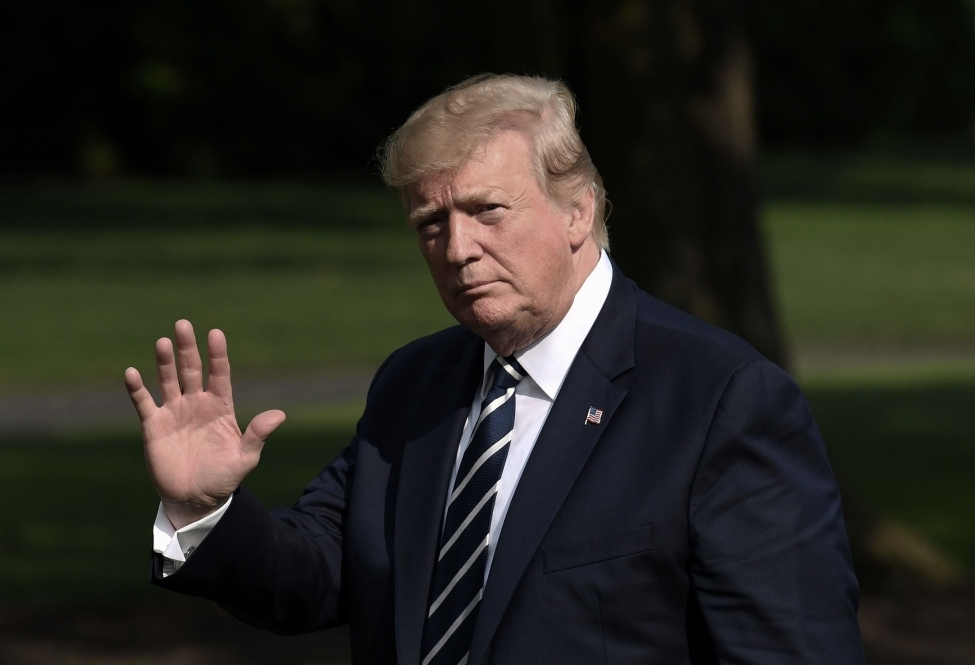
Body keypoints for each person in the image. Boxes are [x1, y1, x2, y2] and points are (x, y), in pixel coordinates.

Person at [125, 74, 864, 664]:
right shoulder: (413, 386)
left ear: (579, 210)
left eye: (487, 211)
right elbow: (320, 573)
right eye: (431, 224)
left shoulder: (719, 400)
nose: (457, 248)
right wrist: (205, 509)